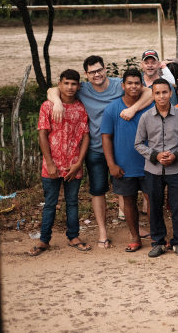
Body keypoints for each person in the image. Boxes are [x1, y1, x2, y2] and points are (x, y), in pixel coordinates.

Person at [47, 55, 154, 249]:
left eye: (99, 70)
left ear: (105, 69)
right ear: (86, 75)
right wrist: (56, 102)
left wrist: (133, 109)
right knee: (98, 191)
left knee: (124, 189)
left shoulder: (118, 85)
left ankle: (135, 229)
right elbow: (54, 89)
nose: (97, 74)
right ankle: (103, 232)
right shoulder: (83, 89)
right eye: (92, 72)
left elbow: (149, 93)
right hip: (95, 148)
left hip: (120, 148)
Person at [30, 69, 90, 256]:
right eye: (66, 83)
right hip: (52, 164)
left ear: (79, 86)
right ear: (60, 84)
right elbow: (42, 134)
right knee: (50, 203)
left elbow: (86, 136)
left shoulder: (80, 108)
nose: (70, 87)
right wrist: (49, 163)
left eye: (74, 84)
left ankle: (73, 236)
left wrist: (79, 163)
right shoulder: (48, 106)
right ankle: (44, 240)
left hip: (73, 164)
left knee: (72, 202)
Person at [134, 78, 178, 258]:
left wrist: (176, 155)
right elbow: (138, 143)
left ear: (170, 93)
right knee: (155, 206)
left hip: (176, 170)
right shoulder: (145, 117)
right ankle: (158, 242)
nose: (161, 96)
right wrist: (155, 155)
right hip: (153, 170)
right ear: (152, 95)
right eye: (157, 93)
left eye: (165, 92)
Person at [101, 69, 154, 252]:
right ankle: (135, 237)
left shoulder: (149, 106)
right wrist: (111, 164)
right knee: (129, 202)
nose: (133, 86)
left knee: (153, 200)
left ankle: (157, 235)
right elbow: (106, 137)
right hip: (124, 165)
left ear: (142, 85)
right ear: (123, 85)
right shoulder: (113, 108)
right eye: (129, 83)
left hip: (149, 164)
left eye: (137, 83)